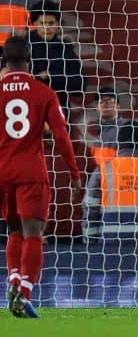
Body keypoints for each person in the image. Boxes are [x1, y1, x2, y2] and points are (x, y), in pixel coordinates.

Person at [0, 36, 81, 318]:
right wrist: (74, 172)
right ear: (30, 60)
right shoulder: (43, 92)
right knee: (33, 233)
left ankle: (12, 280)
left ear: (4, 61)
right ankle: (24, 292)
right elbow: (61, 135)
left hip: (2, 172)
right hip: (31, 172)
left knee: (14, 231)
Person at [82, 122, 138, 241]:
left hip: (109, 245)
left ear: (118, 142)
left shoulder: (103, 170)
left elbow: (90, 209)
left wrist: (91, 242)